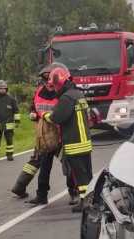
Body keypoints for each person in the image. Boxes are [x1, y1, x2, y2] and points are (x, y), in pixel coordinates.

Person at [11, 63, 78, 205]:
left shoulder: (65, 94)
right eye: (46, 79)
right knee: (44, 166)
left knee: (69, 165)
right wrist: (33, 114)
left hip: (61, 136)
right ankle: (41, 195)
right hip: (45, 137)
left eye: (52, 79)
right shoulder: (39, 92)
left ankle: (74, 193)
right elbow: (34, 108)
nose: (49, 83)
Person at [41, 67, 93, 212]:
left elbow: (57, 117)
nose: (54, 88)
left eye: (54, 85)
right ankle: (89, 198)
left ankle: (86, 202)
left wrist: (45, 115)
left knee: (79, 175)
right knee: (86, 172)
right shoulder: (78, 94)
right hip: (85, 142)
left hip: (74, 142)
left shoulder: (66, 98)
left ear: (59, 82)